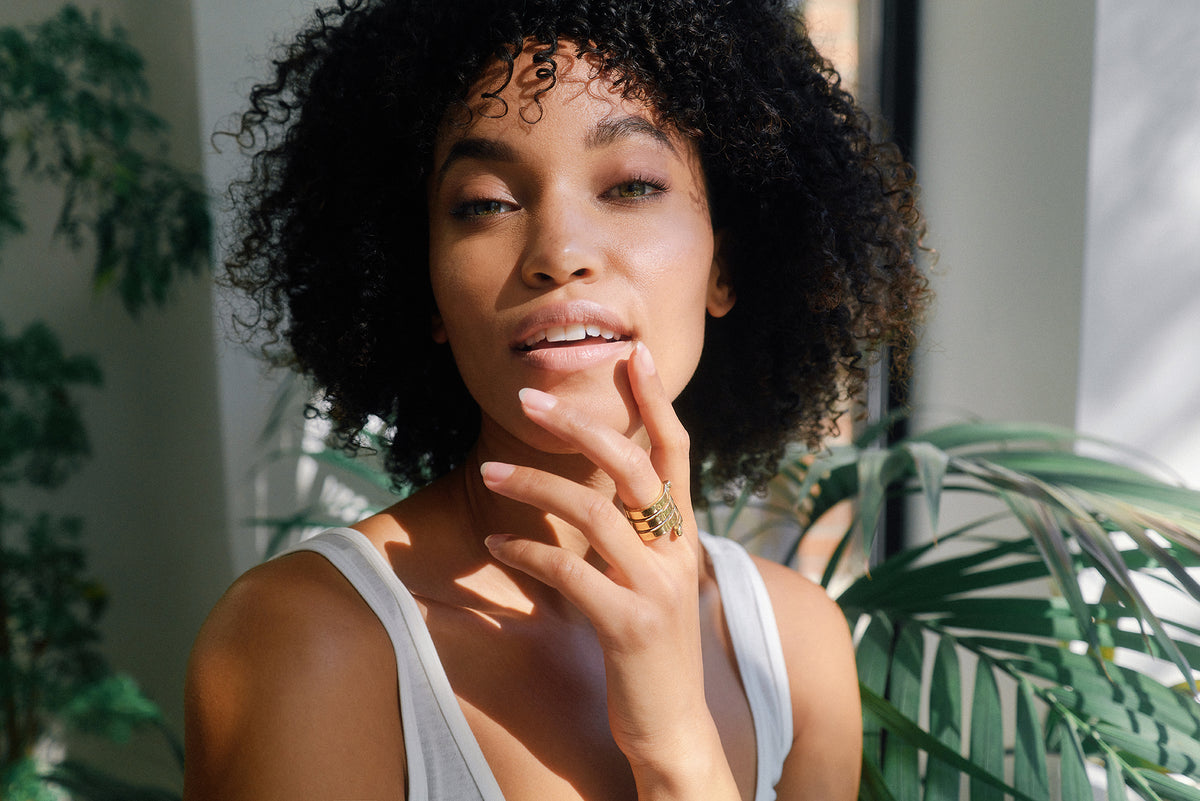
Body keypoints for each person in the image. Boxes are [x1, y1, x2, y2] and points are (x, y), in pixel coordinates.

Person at [183, 0, 927, 799]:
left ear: (724, 265)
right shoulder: (310, 640)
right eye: (486, 203)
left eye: (632, 186)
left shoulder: (797, 647)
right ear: (426, 287)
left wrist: (678, 741)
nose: (559, 252)